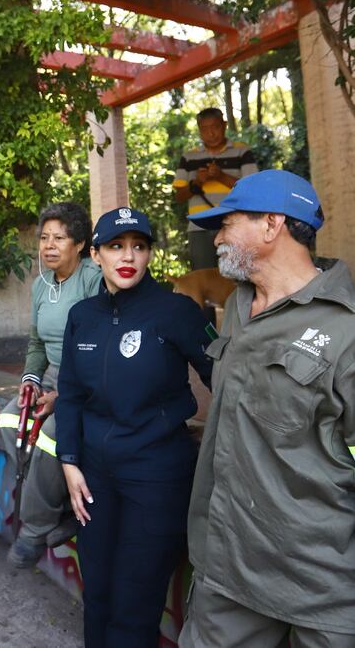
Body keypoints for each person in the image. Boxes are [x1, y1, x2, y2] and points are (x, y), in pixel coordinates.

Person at [179, 170, 355, 646]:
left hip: (323, 584)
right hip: (228, 566)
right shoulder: (238, 308)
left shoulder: (346, 330)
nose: (217, 239)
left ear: (272, 224)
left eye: (227, 224)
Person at [55, 207, 214, 647]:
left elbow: (225, 377)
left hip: (156, 475)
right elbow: (70, 393)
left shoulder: (176, 311)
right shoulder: (82, 316)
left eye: (139, 246)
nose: (128, 256)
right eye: (116, 246)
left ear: (149, 254)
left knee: (135, 604)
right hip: (93, 477)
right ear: (96, 255)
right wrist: (69, 461)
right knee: (98, 593)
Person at [5, 201, 101, 568]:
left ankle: (35, 528)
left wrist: (62, 396)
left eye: (59, 238)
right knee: (10, 421)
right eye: (44, 238)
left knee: (49, 437)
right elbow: (36, 343)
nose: (49, 245)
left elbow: (100, 347)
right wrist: (30, 382)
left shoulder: (93, 278)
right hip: (50, 375)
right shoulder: (41, 284)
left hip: (87, 378)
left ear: (79, 244)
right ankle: (58, 501)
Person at [173, 108, 258, 270]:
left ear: (224, 125)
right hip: (198, 227)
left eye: (215, 127)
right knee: (203, 276)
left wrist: (221, 176)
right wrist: (197, 182)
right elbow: (179, 197)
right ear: (199, 130)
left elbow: (253, 190)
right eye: (204, 129)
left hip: (234, 224)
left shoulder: (242, 151)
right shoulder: (188, 157)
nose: (211, 134)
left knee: (238, 274)